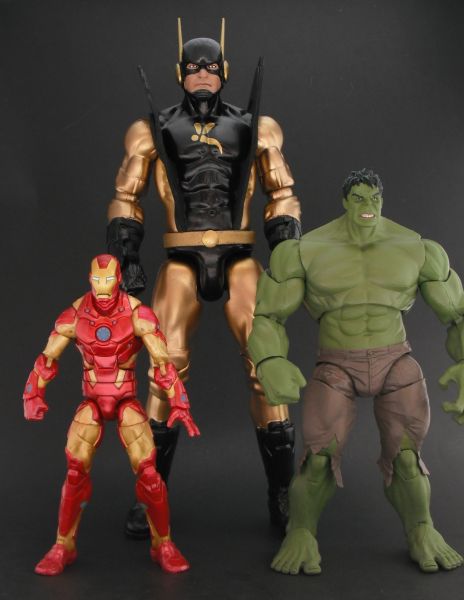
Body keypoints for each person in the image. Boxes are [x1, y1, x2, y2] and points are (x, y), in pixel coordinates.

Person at [107, 19, 302, 535]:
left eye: (210, 67)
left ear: (225, 71)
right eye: (192, 67)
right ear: (179, 73)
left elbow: (281, 193)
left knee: (267, 363)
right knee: (164, 369)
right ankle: (150, 494)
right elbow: (127, 196)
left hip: (239, 256)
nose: (201, 75)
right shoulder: (153, 129)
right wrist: (126, 253)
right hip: (181, 258)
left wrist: (287, 248)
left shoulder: (256, 126)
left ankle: (283, 492)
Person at [249, 168, 464, 574]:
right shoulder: (307, 250)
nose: (368, 205)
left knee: (407, 458)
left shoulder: (416, 248)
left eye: (374, 198)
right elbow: (268, 316)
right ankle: (301, 532)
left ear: (382, 200)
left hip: (396, 360)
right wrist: (270, 361)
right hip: (336, 363)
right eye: (359, 198)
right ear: (345, 201)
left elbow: (457, 314)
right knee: (317, 458)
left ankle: (422, 528)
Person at [23, 254, 199, 575]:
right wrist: (33, 393)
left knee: (150, 474)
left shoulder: (136, 313)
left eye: (108, 282)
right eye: (97, 281)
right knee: (75, 471)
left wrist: (180, 403)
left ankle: (163, 544)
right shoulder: (76, 313)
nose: (103, 289)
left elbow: (163, 363)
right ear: (90, 280)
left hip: (125, 400)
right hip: (91, 401)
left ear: (118, 280)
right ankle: (63, 545)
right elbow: (47, 357)